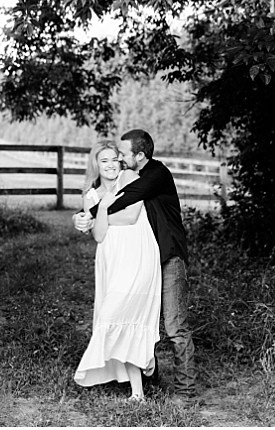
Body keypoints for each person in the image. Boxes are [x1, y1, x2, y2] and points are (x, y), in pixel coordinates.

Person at [74, 129, 196, 404]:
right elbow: (105, 201)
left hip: (169, 256)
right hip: (144, 257)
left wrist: (88, 215)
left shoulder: (153, 175)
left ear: (139, 156)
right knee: (142, 316)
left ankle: (185, 394)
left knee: (175, 326)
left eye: (122, 154)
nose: (117, 158)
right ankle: (147, 378)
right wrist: (81, 216)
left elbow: (125, 205)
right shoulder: (132, 175)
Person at [73, 139, 162, 402]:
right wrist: (100, 207)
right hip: (111, 257)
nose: (111, 165)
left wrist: (100, 213)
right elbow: (99, 235)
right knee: (114, 318)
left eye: (114, 158)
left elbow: (132, 215)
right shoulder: (90, 194)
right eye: (104, 160)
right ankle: (138, 392)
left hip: (138, 251)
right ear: (96, 165)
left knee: (119, 314)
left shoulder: (130, 177)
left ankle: (145, 356)